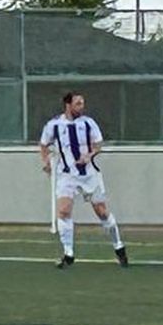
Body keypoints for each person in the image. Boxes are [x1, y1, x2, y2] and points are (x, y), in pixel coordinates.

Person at [39, 90, 128, 268]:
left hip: (89, 175)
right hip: (66, 175)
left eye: (82, 103)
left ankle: (119, 247)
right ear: (68, 105)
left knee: (102, 212)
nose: (81, 107)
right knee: (63, 211)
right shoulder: (54, 125)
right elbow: (43, 145)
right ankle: (68, 253)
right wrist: (46, 162)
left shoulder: (88, 123)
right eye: (78, 103)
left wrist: (89, 155)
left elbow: (98, 144)